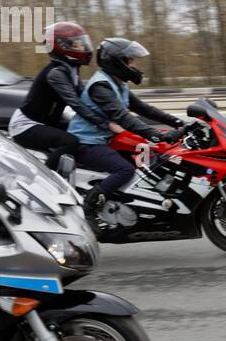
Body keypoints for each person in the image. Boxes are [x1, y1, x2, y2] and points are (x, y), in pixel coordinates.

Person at [66, 37, 183, 211]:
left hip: (106, 140)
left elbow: (144, 109)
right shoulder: (100, 87)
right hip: (87, 143)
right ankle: (88, 208)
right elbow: (123, 117)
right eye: (130, 61)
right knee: (125, 170)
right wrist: (156, 135)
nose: (134, 65)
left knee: (148, 158)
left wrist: (177, 121)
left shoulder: (118, 83)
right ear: (117, 61)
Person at [9, 21, 115, 172]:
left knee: (84, 132)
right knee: (70, 141)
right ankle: (47, 178)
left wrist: (114, 113)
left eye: (83, 43)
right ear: (62, 46)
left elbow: (87, 98)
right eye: (77, 44)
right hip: (27, 126)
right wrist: (105, 123)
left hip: (46, 122)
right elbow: (76, 103)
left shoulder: (71, 69)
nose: (83, 47)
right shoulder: (56, 73)